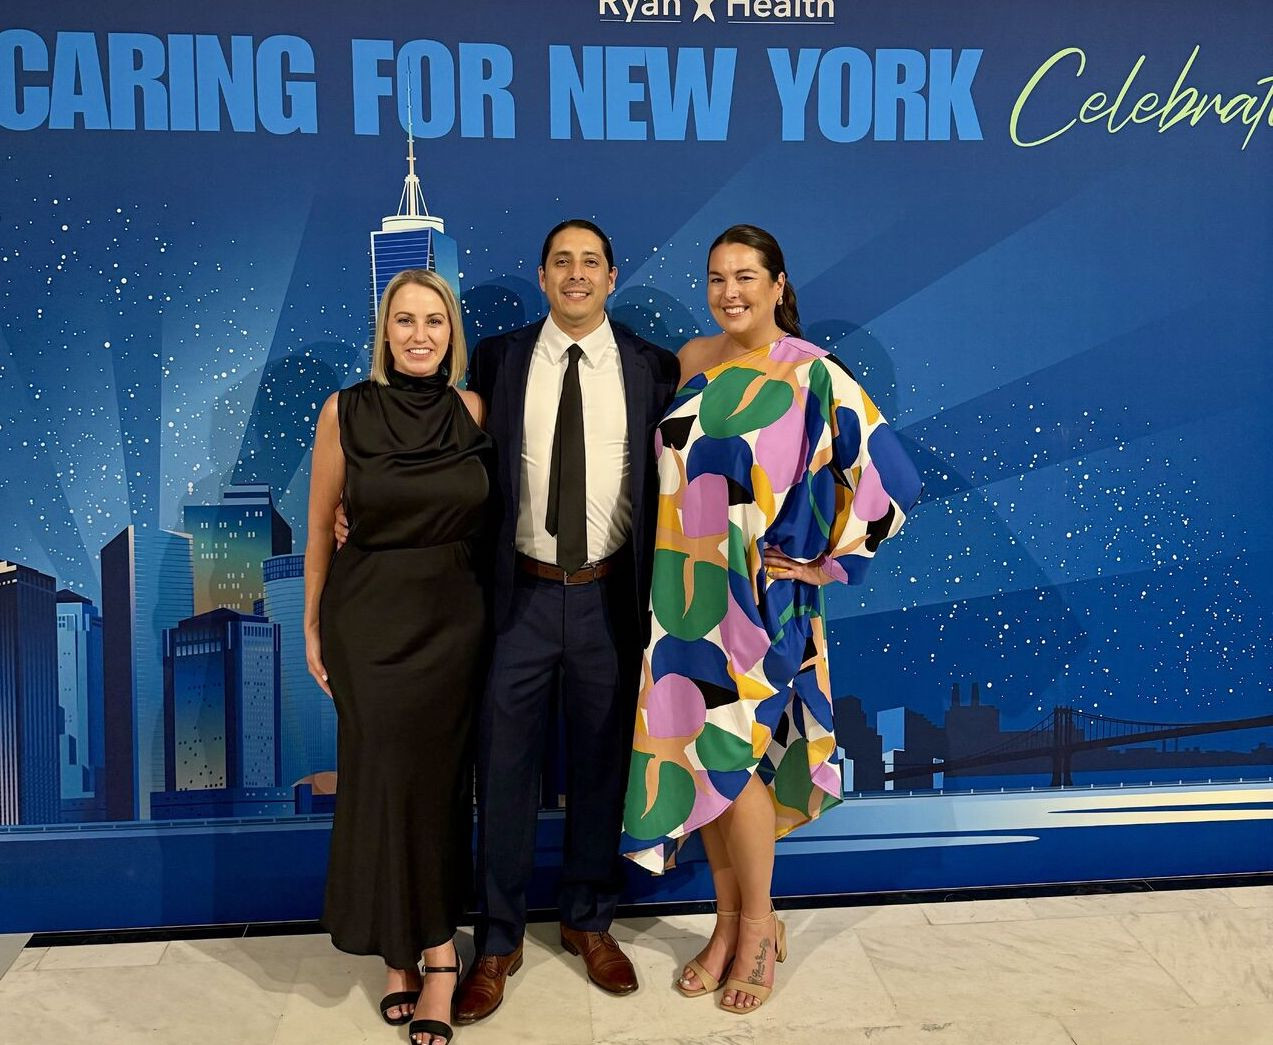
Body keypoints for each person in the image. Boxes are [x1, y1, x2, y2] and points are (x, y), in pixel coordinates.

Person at [620, 225, 921, 1013]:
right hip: (683, 594)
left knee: (737, 758)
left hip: (758, 602)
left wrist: (825, 560)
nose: (729, 292)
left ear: (779, 284)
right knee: (700, 757)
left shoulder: (814, 373)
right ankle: (724, 925)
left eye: (746, 276)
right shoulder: (691, 360)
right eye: (716, 277)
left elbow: (893, 475)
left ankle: (758, 927)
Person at [451, 219, 680, 1023]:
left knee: (599, 770)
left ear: (612, 276)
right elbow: (454, 462)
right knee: (503, 773)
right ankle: (499, 939)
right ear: (541, 276)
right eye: (561, 262)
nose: (576, 275)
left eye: (590, 262)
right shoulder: (499, 359)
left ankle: (587, 920)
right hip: (517, 598)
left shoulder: (654, 366)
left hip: (610, 599)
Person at [304, 268, 490, 1045]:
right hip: (366, 624)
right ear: (385, 332)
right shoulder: (344, 409)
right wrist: (313, 628)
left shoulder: (472, 408)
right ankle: (397, 957)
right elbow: (318, 527)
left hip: (453, 622)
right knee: (380, 786)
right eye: (405, 320)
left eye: (435, 321)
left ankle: (439, 955)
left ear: (453, 334)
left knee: (440, 786)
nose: (420, 335)